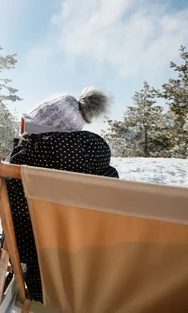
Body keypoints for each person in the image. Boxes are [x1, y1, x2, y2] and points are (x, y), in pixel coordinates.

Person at [7, 87, 119, 303]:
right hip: (93, 273)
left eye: (29, 124)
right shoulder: (102, 165)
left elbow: (17, 224)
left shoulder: (29, 159)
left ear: (42, 129)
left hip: (44, 273)